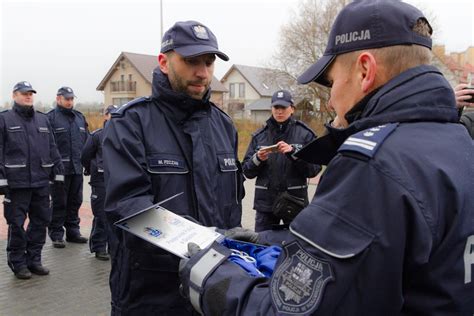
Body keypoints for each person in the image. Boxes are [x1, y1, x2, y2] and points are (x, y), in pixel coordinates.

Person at [179, 1, 474, 314]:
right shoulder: (458, 142)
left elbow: (291, 308)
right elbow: (368, 251)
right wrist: (270, 240)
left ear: (365, 70)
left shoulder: (374, 165)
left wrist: (208, 276)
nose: (331, 99)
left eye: (332, 82)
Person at [102, 21, 244, 314]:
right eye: (191, 61)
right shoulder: (130, 124)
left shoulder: (224, 126)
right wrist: (206, 241)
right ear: (164, 62)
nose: (202, 72)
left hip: (213, 288)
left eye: (208, 62)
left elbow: (233, 203)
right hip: (153, 294)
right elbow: (129, 207)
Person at [0, 82, 64, 279]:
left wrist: (58, 172)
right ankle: (18, 263)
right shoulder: (4, 119)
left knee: (40, 222)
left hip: (41, 182)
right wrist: (1, 179)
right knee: (17, 224)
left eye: (30, 94)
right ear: (14, 95)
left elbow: (52, 148)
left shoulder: (43, 120)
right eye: (24, 94)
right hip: (16, 184)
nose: (28, 97)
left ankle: (34, 260)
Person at [242, 90, 321, 231]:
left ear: (292, 109)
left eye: (283, 107)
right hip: (266, 206)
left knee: (295, 246)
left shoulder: (305, 135)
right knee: (263, 247)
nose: (279, 111)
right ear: (271, 109)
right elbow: (247, 172)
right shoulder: (259, 136)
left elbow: (314, 170)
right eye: (276, 107)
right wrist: (258, 159)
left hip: (295, 204)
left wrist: (293, 153)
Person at [47, 86, 89, 248]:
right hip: (59, 171)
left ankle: (73, 232)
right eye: (67, 99)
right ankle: (56, 234)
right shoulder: (50, 118)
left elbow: (86, 143)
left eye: (72, 98)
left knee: (75, 201)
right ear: (58, 99)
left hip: (77, 168)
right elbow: (47, 146)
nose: (70, 101)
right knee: (59, 202)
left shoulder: (79, 118)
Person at [81, 105, 117, 261]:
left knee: (114, 215)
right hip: (100, 181)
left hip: (116, 181)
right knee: (101, 215)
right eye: (111, 115)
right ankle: (99, 247)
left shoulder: (122, 135)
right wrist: (92, 169)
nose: (114, 118)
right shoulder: (97, 136)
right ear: (105, 116)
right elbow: (85, 156)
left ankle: (112, 246)